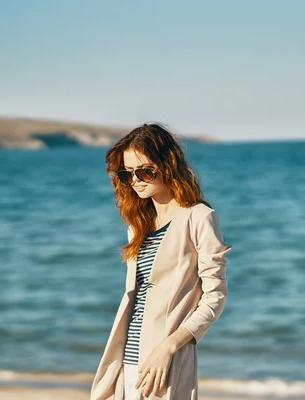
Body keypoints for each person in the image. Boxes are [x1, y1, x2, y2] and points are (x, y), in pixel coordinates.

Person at [90, 123, 231, 400]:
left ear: (168, 165)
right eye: (127, 173)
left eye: (145, 171)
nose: (136, 180)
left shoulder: (199, 217)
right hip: (126, 359)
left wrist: (168, 347)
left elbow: (215, 298)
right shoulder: (138, 224)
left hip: (166, 360)